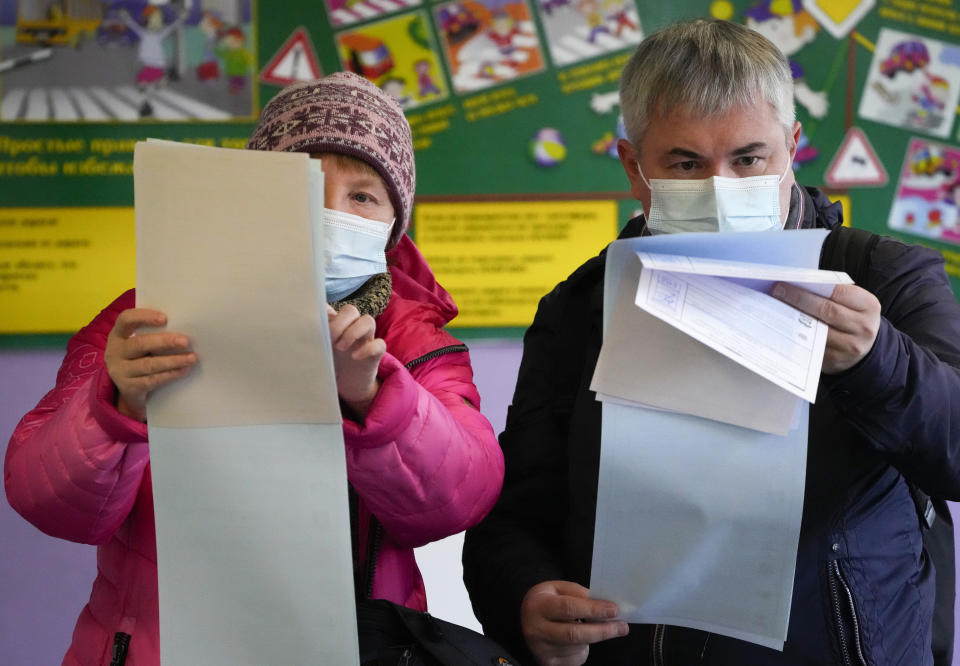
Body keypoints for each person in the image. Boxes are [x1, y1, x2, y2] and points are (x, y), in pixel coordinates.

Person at [462, 18, 960, 666]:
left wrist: (875, 361)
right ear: (635, 168)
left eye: (749, 159)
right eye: (687, 163)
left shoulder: (884, 276)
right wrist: (525, 597)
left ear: (793, 147)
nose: (722, 189)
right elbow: (516, 508)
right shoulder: (580, 308)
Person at [5, 72, 504, 666]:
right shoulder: (146, 320)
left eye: (362, 196)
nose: (328, 214)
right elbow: (45, 499)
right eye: (303, 186)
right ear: (249, 198)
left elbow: (461, 498)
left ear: (394, 225)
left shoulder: (415, 343)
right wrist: (116, 408)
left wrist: (373, 398)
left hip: (356, 645)